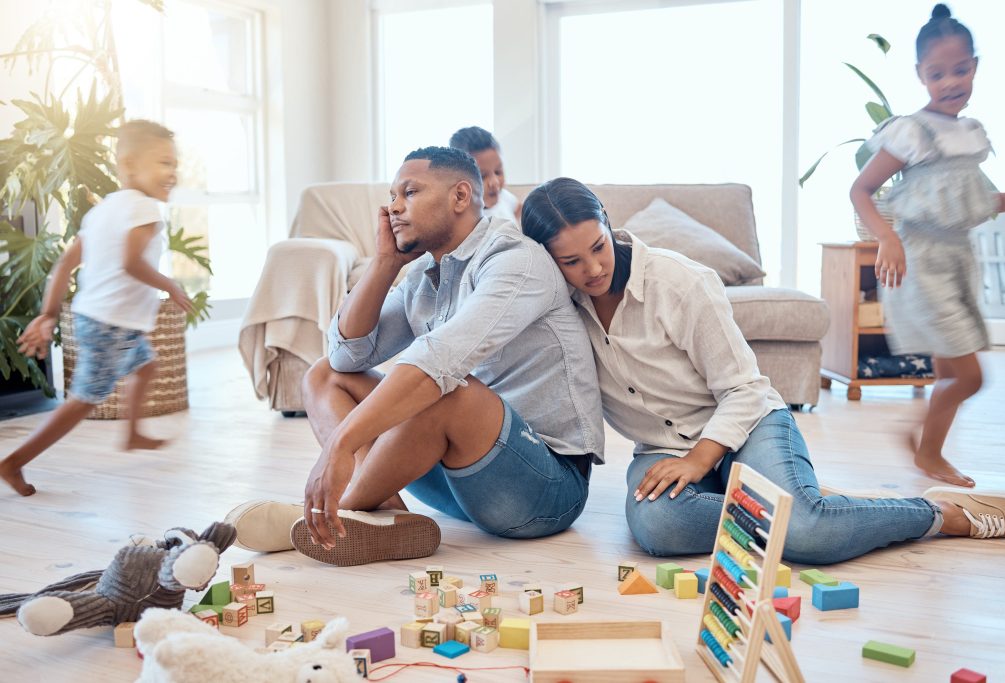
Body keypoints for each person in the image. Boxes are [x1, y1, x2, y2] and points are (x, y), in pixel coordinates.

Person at [520, 176, 1005, 563]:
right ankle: (800, 502)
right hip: (662, 450)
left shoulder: (681, 284)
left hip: (748, 426)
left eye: (598, 247)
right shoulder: (558, 309)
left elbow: (743, 390)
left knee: (808, 533)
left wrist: (700, 462)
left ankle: (943, 514)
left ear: (608, 224)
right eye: (570, 262)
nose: (593, 270)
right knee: (659, 529)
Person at [226, 147, 603, 565]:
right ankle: (382, 517)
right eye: (392, 196)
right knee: (323, 377)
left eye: (409, 192)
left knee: (445, 389)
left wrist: (340, 448)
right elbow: (345, 356)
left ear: (460, 197)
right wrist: (385, 263)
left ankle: (332, 514)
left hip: (545, 489)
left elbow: (437, 362)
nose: (394, 207)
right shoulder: (425, 274)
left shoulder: (514, 260)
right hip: (465, 478)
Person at [851, 4, 1005, 488]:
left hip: (958, 261)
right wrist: (886, 237)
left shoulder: (969, 135)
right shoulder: (912, 131)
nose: (951, 82)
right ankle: (924, 447)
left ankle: (930, 453)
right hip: (922, 264)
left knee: (951, 373)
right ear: (920, 76)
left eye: (961, 69)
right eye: (937, 73)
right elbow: (861, 190)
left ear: (975, 66)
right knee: (970, 378)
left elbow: (980, 201)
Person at [0, 120, 194, 497]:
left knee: (148, 364)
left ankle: (133, 431)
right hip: (112, 325)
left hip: (96, 319)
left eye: (174, 163)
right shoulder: (144, 210)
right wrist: (170, 284)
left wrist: (48, 314)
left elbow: (64, 265)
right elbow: (131, 263)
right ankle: (13, 462)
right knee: (83, 402)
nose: (172, 172)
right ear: (129, 164)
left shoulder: (103, 210)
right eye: (163, 163)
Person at [449, 126, 520, 222]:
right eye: (482, 176)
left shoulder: (504, 197)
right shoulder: (465, 220)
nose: (494, 182)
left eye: (498, 172)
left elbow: (519, 209)